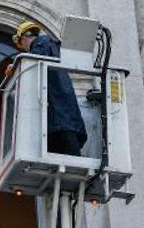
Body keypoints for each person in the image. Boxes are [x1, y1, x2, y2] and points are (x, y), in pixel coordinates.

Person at [8, 21, 87, 156]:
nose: (25, 49)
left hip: (57, 111)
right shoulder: (53, 46)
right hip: (63, 113)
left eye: (22, 44)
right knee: (66, 151)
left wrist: (16, 66)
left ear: (25, 37)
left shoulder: (41, 44)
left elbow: (33, 65)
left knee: (65, 148)